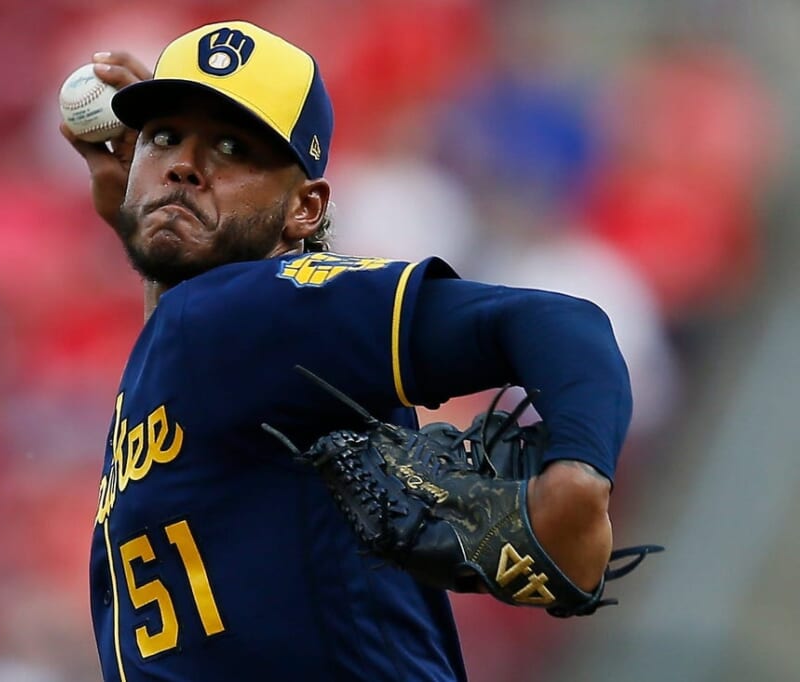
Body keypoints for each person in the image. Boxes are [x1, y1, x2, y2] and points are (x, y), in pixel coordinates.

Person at [62, 20, 626, 682]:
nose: (186, 163)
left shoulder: (256, 309)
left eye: (231, 147)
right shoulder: (201, 336)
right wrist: (139, 219)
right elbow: (194, 332)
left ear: (304, 210)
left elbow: (564, 326)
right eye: (165, 137)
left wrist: (578, 480)